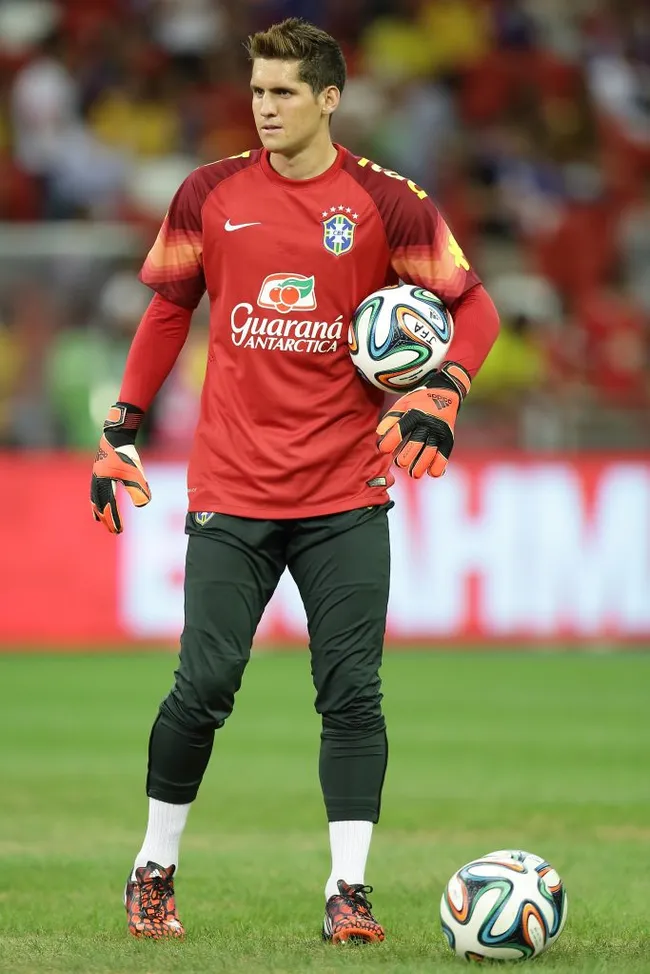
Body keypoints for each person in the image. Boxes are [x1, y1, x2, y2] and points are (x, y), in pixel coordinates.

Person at [90, 17, 500, 944]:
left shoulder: (389, 206)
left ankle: (347, 892)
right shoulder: (209, 194)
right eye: (257, 91)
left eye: (283, 93)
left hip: (346, 493)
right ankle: (153, 866)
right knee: (204, 685)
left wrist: (444, 389)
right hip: (231, 489)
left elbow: (474, 308)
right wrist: (121, 428)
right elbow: (168, 307)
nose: (264, 108)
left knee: (352, 694)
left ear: (328, 98)